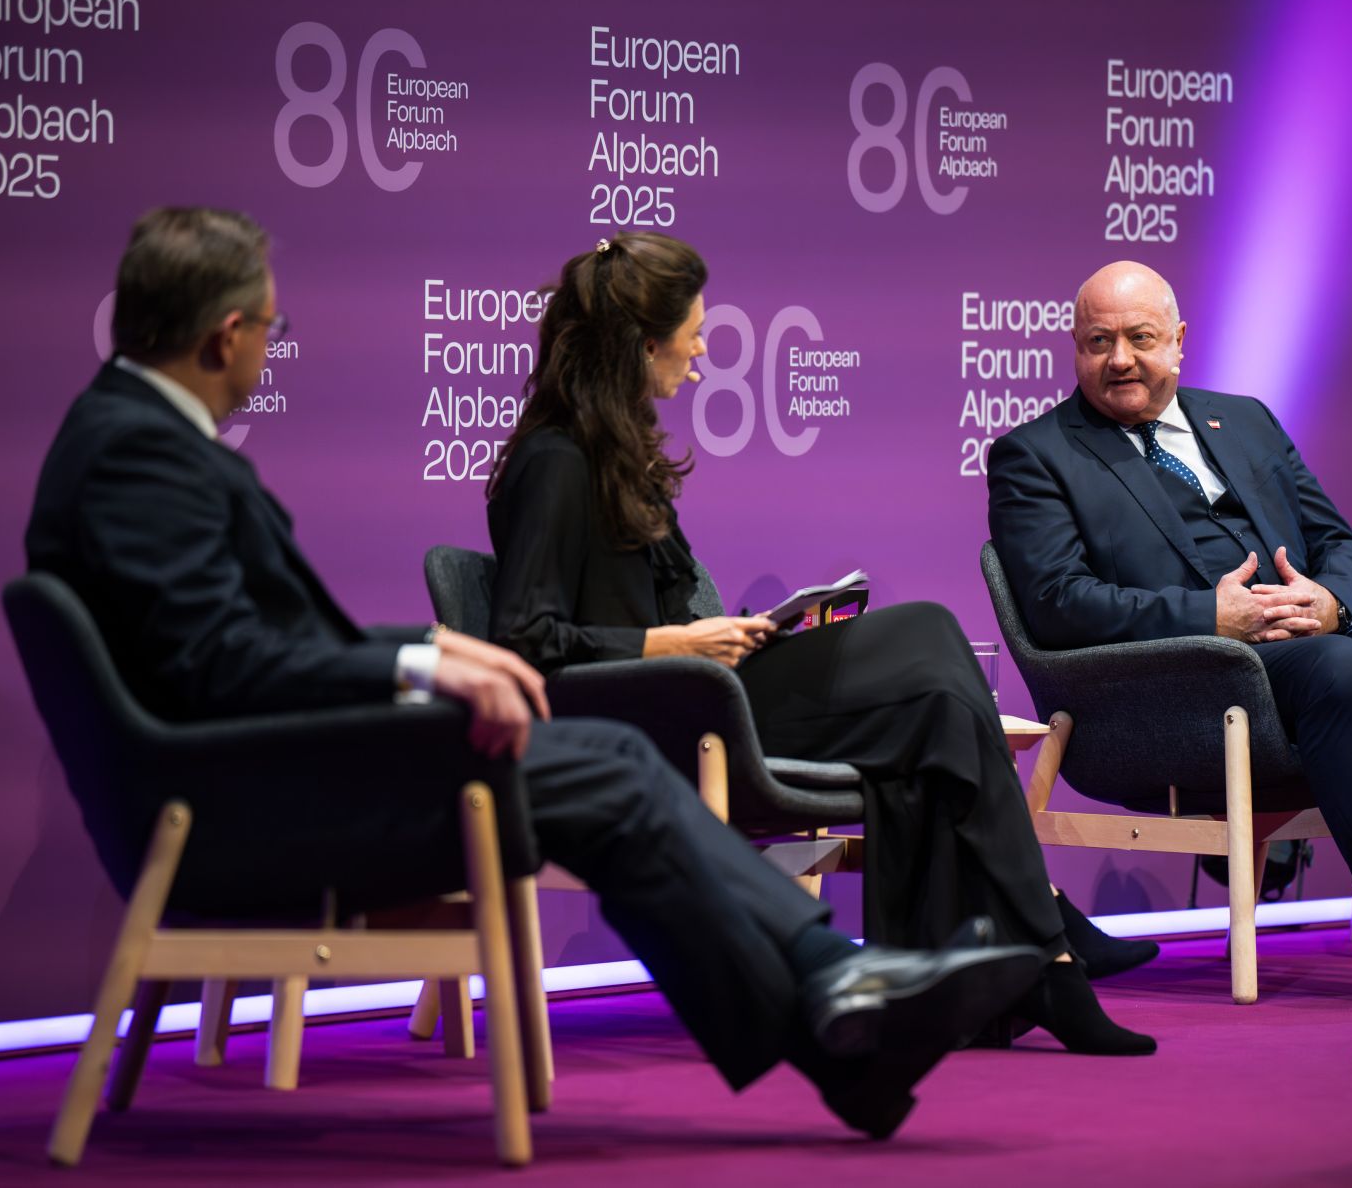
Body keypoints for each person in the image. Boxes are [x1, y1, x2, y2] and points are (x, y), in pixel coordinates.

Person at [23, 206, 1051, 1141]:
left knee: (604, 759)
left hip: (257, 776)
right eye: (271, 332)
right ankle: (838, 999)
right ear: (225, 335)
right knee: (605, 762)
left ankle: (839, 1016)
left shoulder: (131, 440)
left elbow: (226, 650)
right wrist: (417, 658)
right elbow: (222, 665)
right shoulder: (138, 457)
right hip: (240, 804)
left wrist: (419, 653)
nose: (266, 354)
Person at [484, 231, 1158, 1057]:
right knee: (929, 669)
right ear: (639, 343)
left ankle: (1030, 959)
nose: (700, 355)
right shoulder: (552, 462)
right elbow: (524, 641)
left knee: (935, 679)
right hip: (652, 721)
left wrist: (731, 637)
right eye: (691, 334)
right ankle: (1043, 941)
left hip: (699, 692)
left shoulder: (617, 453)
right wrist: (669, 642)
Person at [986, 260, 1352, 1010]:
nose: (1119, 360)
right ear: (1074, 348)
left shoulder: (1245, 421)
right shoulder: (1037, 454)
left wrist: (1332, 601)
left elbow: (1341, 545)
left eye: (1140, 338)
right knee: (1338, 670)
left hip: (1318, 658)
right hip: (1184, 690)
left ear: (1178, 342)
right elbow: (1056, 603)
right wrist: (1211, 616)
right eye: (1098, 341)